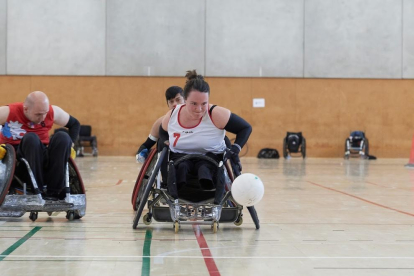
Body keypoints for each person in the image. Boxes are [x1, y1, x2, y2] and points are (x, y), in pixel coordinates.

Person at [160, 70, 252, 204]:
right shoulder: (172, 115)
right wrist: (164, 141)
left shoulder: (216, 114)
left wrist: (235, 149)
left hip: (210, 158)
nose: (199, 109)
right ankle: (177, 193)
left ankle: (208, 191)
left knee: (204, 168)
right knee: (181, 167)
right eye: (194, 104)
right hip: (180, 159)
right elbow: (161, 131)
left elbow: (245, 128)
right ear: (185, 100)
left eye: (204, 103)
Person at [0, 91, 80, 199]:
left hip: (43, 157)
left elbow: (75, 124)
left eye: (45, 113)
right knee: (31, 138)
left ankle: (54, 191)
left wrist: (70, 146)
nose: (42, 118)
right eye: (38, 114)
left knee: (63, 137)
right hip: (18, 161)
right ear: (26, 109)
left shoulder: (53, 111)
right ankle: (37, 189)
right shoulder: (8, 112)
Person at [136, 86, 184, 163]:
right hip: (168, 160)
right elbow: (146, 145)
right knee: (161, 142)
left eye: (178, 100)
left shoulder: (196, 120)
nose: (175, 104)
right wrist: (140, 154)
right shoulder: (161, 122)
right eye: (171, 101)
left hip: (188, 160)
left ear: (186, 100)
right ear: (168, 104)